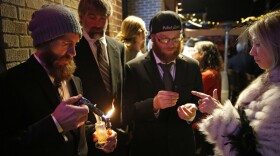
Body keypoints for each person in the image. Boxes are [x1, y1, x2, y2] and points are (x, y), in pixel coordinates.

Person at [0, 4, 116, 156]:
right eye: (66, 44)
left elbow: (75, 130)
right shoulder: (13, 82)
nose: (73, 53)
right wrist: (54, 124)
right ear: (44, 42)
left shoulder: (74, 80)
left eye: (75, 44)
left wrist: (96, 135)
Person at [191, 10, 280, 156]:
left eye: (258, 44)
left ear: (276, 46)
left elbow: (255, 150)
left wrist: (219, 113)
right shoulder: (267, 81)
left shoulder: (276, 96)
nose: (251, 52)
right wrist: (220, 110)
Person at [123, 11, 203, 156]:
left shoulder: (192, 66)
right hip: (148, 148)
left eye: (176, 38)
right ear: (152, 38)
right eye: (164, 39)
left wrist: (193, 112)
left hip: (183, 147)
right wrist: (153, 104)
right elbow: (126, 112)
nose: (171, 44)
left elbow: (200, 104)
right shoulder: (133, 68)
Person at [74, 0, 127, 155]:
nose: (98, 23)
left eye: (102, 18)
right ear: (81, 17)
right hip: (89, 135)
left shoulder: (118, 47)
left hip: (118, 132)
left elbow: (122, 88)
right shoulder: (72, 48)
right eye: (92, 17)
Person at [191, 40, 223, 156]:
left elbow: (194, 95)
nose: (192, 53)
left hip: (201, 121)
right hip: (206, 120)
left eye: (195, 50)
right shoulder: (214, 72)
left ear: (202, 54)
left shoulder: (207, 75)